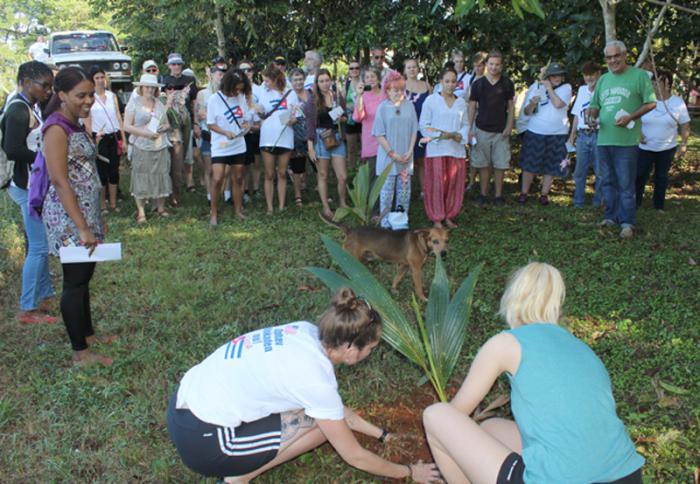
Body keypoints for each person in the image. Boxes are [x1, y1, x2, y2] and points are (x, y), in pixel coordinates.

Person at [167, 287, 440, 483]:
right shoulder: (315, 379)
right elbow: (354, 456)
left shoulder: (303, 331)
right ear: (348, 347)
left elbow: (335, 410)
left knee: (323, 419)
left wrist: (383, 435)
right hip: (206, 441)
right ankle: (237, 477)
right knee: (322, 429)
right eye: (370, 347)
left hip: (185, 401)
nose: (371, 353)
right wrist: (409, 472)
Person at [423, 262, 645, 484]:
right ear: (556, 304)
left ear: (511, 298)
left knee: (436, 415)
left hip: (559, 479)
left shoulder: (506, 344)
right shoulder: (580, 346)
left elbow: (457, 412)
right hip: (627, 476)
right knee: (491, 428)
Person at [42, 67, 116, 366]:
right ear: (61, 95)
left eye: (90, 94)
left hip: (85, 213)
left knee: (84, 277)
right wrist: (82, 227)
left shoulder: (74, 123)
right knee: (74, 281)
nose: (89, 101)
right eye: (81, 95)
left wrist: (97, 216)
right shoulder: (56, 128)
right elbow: (60, 181)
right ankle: (80, 352)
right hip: (69, 218)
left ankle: (87, 335)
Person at [2, 61, 56, 324]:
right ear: (25, 82)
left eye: (50, 86)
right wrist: (43, 158)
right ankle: (28, 307)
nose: (48, 91)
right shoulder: (17, 110)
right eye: (43, 85)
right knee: (38, 247)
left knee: (41, 243)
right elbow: (12, 149)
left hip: (33, 183)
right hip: (25, 186)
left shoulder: (30, 106)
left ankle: (44, 293)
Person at [588, 40, 656, 239]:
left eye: (616, 56)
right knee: (607, 181)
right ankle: (611, 217)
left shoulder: (639, 76)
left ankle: (627, 222)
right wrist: (591, 115)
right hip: (604, 139)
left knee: (626, 183)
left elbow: (651, 103)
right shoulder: (603, 80)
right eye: (609, 57)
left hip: (626, 140)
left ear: (625, 55)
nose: (613, 60)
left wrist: (631, 117)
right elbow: (595, 104)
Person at [419, 66, 469, 229]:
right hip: (437, 149)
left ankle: (449, 215)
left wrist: (458, 135)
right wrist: (440, 135)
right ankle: (436, 218)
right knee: (437, 183)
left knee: (453, 183)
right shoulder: (431, 100)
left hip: (455, 149)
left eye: (453, 81)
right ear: (441, 82)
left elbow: (466, 124)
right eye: (447, 81)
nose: (450, 84)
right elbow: (423, 125)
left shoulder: (461, 103)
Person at [517, 63, 572, 205]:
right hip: (536, 130)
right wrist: (533, 104)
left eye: (559, 75)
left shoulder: (566, 88)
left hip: (557, 132)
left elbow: (559, 104)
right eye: (554, 75)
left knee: (551, 164)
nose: (557, 78)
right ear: (548, 76)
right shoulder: (537, 87)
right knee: (530, 164)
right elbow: (527, 112)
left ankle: (544, 194)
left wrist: (549, 88)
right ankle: (524, 192)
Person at [636, 69, 691, 211]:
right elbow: (635, 119)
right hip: (645, 148)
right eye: (653, 80)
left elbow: (685, 125)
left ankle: (658, 206)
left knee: (661, 177)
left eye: (659, 81)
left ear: (668, 84)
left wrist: (683, 143)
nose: (654, 84)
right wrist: (639, 133)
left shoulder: (677, 102)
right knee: (640, 175)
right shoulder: (646, 100)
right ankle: (636, 203)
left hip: (667, 148)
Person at [123, 73, 173, 224]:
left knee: (161, 174)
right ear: (141, 87)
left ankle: (160, 207)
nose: (150, 90)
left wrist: (164, 127)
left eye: (153, 87)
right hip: (142, 145)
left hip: (159, 145)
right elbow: (126, 126)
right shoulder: (133, 103)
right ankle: (141, 212)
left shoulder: (158, 103)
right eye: (147, 86)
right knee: (141, 176)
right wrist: (144, 133)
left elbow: (166, 123)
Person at [468, 50, 515, 206]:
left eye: (497, 64)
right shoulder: (478, 84)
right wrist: (469, 128)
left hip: (501, 131)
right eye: (491, 64)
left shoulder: (507, 83)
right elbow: (472, 107)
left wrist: (509, 126)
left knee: (500, 164)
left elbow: (511, 107)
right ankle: (483, 194)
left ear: (501, 66)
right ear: (486, 65)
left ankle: (498, 195)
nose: (494, 67)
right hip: (482, 129)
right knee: (483, 164)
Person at [373, 72, 418, 228]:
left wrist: (410, 150)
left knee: (404, 193)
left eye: (401, 89)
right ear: (387, 90)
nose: (399, 92)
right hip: (388, 158)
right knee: (386, 193)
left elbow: (414, 130)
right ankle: (385, 223)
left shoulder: (409, 106)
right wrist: (392, 154)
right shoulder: (382, 108)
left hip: (406, 157)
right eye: (395, 90)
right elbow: (379, 134)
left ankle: (401, 222)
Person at [207, 69, 252, 225]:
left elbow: (245, 118)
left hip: (238, 145)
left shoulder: (240, 98)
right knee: (218, 178)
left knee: (238, 178)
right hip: (220, 145)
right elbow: (210, 124)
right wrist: (225, 132)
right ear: (228, 85)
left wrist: (246, 124)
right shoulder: (214, 99)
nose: (237, 92)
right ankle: (213, 213)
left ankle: (238, 210)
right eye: (235, 89)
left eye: (240, 89)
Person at [305, 68, 348, 219]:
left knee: (342, 176)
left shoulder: (337, 97)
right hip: (320, 137)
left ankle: (342, 202)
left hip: (336, 137)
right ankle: (326, 207)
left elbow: (345, 117)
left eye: (326, 80)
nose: (324, 84)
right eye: (321, 81)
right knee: (323, 175)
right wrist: (310, 146)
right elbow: (310, 124)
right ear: (317, 83)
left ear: (330, 81)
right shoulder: (313, 100)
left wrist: (342, 119)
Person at [85, 66, 127, 213]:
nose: (100, 81)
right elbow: (87, 121)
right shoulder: (89, 98)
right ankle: (103, 205)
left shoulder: (112, 96)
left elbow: (118, 116)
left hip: (113, 136)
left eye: (102, 77)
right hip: (99, 138)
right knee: (102, 173)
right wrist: (92, 138)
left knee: (114, 172)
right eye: (97, 78)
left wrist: (124, 139)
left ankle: (114, 204)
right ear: (92, 81)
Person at [258, 65, 298, 214]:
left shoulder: (290, 93)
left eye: (268, 81)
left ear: (275, 80)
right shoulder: (262, 92)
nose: (265, 83)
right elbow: (258, 112)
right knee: (269, 174)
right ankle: (269, 207)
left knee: (282, 173)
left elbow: (296, 114)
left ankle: (281, 206)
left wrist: (293, 120)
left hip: (285, 137)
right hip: (267, 137)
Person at [161, 53, 197, 207]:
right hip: (169, 120)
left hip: (186, 120)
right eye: (173, 64)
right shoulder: (163, 80)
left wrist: (195, 123)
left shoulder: (189, 80)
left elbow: (194, 102)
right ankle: (167, 193)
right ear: (169, 66)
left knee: (181, 157)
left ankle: (177, 192)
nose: (176, 67)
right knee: (171, 156)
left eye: (179, 64)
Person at [569, 61, 603, 208]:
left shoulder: (604, 89)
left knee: (600, 171)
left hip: (599, 133)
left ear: (598, 74)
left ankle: (598, 201)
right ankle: (578, 201)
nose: (589, 78)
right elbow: (576, 115)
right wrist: (572, 135)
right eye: (586, 75)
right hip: (583, 134)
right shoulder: (582, 90)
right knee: (579, 170)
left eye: (592, 75)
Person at [195, 60, 227, 205]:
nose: (222, 76)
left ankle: (226, 195)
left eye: (224, 74)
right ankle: (210, 197)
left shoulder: (229, 93)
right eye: (219, 73)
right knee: (209, 169)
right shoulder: (203, 93)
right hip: (209, 135)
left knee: (225, 168)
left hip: (224, 136)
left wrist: (212, 115)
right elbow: (200, 114)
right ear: (212, 75)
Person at [353, 66, 386, 182]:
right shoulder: (362, 96)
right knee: (373, 175)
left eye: (373, 76)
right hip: (371, 140)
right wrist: (359, 96)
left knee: (387, 175)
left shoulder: (386, 94)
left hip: (387, 140)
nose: (370, 79)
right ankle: (372, 200)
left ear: (378, 78)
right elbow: (358, 117)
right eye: (367, 77)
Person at [404, 58, 431, 194]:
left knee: (422, 160)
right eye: (409, 67)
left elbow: (433, 106)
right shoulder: (400, 86)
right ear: (405, 70)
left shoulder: (426, 85)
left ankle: (423, 190)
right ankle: (404, 190)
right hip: (406, 129)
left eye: (414, 67)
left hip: (423, 128)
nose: (412, 69)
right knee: (406, 160)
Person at [464, 51, 488, 193]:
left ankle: (483, 182)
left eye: (481, 65)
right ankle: (471, 181)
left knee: (483, 150)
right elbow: (468, 98)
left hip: (483, 120)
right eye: (476, 66)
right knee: (473, 150)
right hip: (471, 118)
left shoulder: (487, 80)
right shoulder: (472, 79)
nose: (478, 68)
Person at [288, 67, 312, 207]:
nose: (298, 82)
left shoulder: (311, 94)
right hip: (295, 136)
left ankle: (318, 191)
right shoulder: (288, 96)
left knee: (316, 164)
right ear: (290, 82)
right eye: (295, 80)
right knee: (297, 167)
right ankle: (298, 196)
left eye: (300, 79)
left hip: (311, 134)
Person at [239, 60, 262, 202]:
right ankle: (246, 190)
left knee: (258, 163)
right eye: (243, 70)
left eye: (248, 70)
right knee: (245, 164)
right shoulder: (237, 90)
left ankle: (257, 189)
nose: (246, 72)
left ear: (253, 72)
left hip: (258, 130)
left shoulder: (259, 89)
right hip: (244, 133)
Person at [342, 59, 363, 170]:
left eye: (356, 68)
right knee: (351, 148)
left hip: (365, 120)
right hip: (350, 120)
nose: (354, 70)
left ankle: (364, 171)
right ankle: (352, 171)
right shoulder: (346, 85)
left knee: (365, 148)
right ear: (349, 71)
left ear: (360, 70)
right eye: (351, 68)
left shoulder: (365, 83)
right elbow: (342, 101)